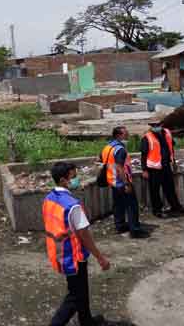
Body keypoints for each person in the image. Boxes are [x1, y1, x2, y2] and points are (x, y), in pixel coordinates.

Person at [43, 162, 110, 326]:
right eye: (73, 176)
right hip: (74, 256)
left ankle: (86, 320)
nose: (76, 179)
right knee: (75, 296)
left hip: (59, 252)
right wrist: (100, 258)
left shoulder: (49, 199)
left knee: (81, 289)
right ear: (63, 180)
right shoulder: (72, 206)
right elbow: (84, 235)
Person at [100, 126, 149, 238]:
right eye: (125, 133)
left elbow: (101, 160)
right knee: (132, 206)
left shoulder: (107, 147)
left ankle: (120, 226)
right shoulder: (120, 149)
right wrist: (126, 183)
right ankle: (135, 230)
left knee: (118, 205)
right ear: (119, 135)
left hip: (112, 181)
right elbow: (120, 168)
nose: (127, 134)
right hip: (122, 182)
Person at [141, 120, 184, 217]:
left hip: (165, 166)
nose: (155, 127)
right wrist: (144, 170)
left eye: (157, 125)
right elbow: (144, 155)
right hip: (153, 168)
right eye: (153, 125)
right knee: (154, 190)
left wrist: (173, 162)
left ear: (161, 125)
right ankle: (157, 210)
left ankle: (175, 206)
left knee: (170, 188)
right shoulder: (147, 137)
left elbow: (171, 148)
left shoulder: (167, 133)